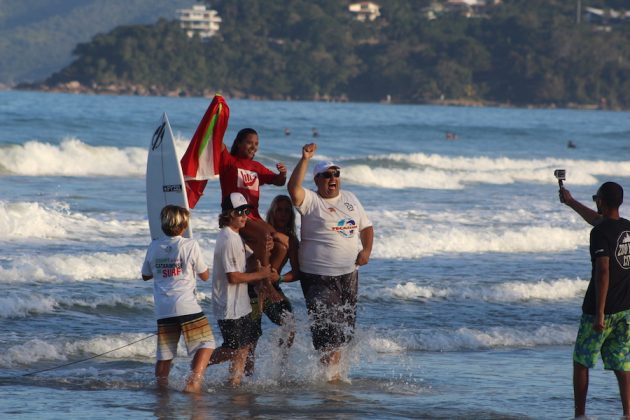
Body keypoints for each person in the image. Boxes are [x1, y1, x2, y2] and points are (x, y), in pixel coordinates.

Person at [287, 143, 374, 381]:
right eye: (327, 175)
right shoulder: (312, 201)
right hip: (318, 276)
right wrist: (304, 159)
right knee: (328, 332)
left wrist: (366, 250)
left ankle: (332, 376)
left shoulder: (351, 198)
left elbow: (366, 227)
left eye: (336, 174)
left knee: (344, 332)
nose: (333, 178)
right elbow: (293, 189)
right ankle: (330, 380)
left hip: (349, 275)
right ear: (317, 181)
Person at [562, 182, 630, 418]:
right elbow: (598, 220)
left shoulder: (599, 233)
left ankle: (580, 415)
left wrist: (599, 313)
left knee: (581, 361)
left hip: (600, 310)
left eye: (596, 198)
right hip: (625, 310)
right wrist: (571, 202)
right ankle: (627, 414)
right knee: (622, 363)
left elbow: (603, 271)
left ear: (601, 201)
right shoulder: (627, 229)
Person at [141, 205, 214, 394]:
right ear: (183, 225)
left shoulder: (154, 245)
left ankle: (161, 390)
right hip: (186, 305)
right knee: (206, 344)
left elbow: (145, 275)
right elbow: (205, 275)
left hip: (163, 307)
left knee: (165, 354)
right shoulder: (190, 245)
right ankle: (193, 382)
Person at [207, 192, 276, 386]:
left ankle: (234, 382)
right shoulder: (228, 238)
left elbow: (250, 260)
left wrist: (266, 247)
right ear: (229, 214)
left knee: (244, 346)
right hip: (229, 306)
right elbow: (234, 276)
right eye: (240, 212)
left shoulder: (236, 237)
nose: (245, 216)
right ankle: (198, 365)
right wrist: (261, 275)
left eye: (247, 211)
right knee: (232, 349)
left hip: (241, 304)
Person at [217, 128, 288, 274]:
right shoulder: (229, 162)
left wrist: (283, 173)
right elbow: (216, 141)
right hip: (236, 215)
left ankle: (270, 280)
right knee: (266, 237)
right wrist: (217, 114)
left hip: (254, 216)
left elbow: (279, 182)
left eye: (256, 144)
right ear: (238, 143)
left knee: (282, 246)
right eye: (249, 143)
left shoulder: (256, 167)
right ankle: (265, 282)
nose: (253, 147)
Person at [245, 195, 300, 376]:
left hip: (273, 286)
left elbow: (297, 272)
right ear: (272, 213)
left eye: (286, 210)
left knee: (289, 326)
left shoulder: (292, 240)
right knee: (252, 336)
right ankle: (247, 375)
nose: (283, 214)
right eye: (279, 210)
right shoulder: (262, 233)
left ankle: (279, 368)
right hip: (252, 287)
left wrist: (281, 278)